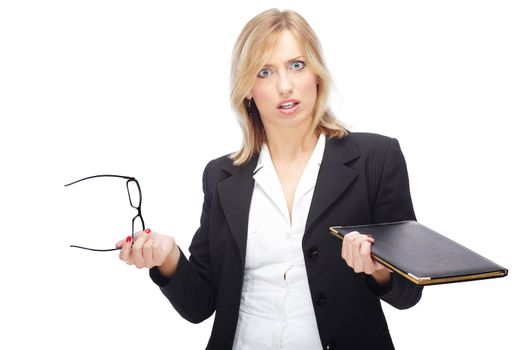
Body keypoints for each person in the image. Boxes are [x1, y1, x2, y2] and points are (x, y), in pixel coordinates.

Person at [116, 8, 423, 350]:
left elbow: (408, 293)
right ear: (247, 89)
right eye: (265, 72)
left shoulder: (375, 158)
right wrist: (168, 257)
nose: (285, 85)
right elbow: (200, 304)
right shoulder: (220, 176)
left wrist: (375, 268)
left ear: (316, 73)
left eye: (296, 65)